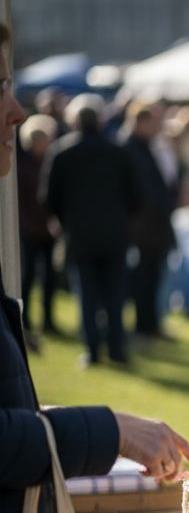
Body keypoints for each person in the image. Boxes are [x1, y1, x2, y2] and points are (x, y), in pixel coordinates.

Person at [0, 22, 189, 513]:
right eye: (1, 87)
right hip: (105, 236)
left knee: (95, 308)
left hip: (91, 237)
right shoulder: (111, 154)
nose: (19, 113)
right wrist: (105, 429)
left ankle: (103, 346)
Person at [40, 93, 142, 367]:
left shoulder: (62, 152)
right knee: (115, 294)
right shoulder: (118, 151)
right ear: (100, 120)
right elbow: (137, 195)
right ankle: (117, 349)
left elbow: (49, 198)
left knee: (86, 294)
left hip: (79, 234)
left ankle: (93, 350)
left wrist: (65, 219)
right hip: (114, 234)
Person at [121, 100, 178, 340]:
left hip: (154, 226)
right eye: (153, 122)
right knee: (143, 278)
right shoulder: (130, 148)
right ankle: (144, 325)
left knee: (152, 277)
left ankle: (150, 323)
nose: (158, 127)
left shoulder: (148, 147)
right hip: (142, 227)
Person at [16, 114, 59, 347]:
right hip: (29, 230)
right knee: (28, 276)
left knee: (49, 277)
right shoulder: (21, 166)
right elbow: (20, 202)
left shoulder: (50, 162)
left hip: (47, 230)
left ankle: (48, 319)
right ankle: (26, 319)